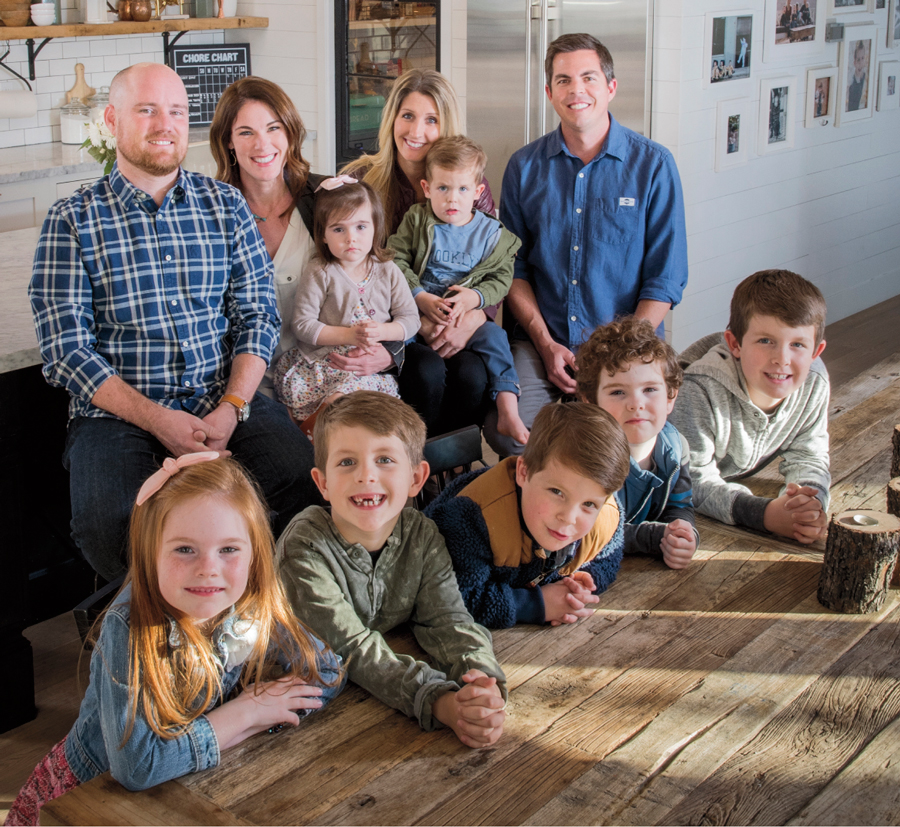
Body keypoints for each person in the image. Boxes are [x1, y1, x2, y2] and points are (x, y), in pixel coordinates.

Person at [29, 63, 319, 582]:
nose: (165, 123)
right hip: (119, 415)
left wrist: (232, 407)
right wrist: (157, 419)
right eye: (147, 109)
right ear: (113, 120)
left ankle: (253, 617)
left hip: (220, 399)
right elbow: (66, 349)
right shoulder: (71, 219)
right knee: (109, 523)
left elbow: (257, 315)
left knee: (300, 478)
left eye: (177, 111)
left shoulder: (226, 205)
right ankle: (168, 639)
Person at [6, 454, 343, 827]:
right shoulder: (131, 626)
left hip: (192, 789)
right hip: (90, 800)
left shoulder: (251, 601)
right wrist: (243, 715)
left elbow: (326, 670)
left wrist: (266, 715)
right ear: (150, 554)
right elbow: (137, 767)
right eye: (185, 549)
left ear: (254, 555)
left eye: (229, 549)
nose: (208, 568)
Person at [485, 33, 688, 457]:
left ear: (610, 87)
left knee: (612, 447)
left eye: (588, 77)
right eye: (563, 80)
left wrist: (611, 358)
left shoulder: (653, 165)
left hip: (626, 351)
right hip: (544, 343)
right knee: (516, 435)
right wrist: (545, 343)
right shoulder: (524, 167)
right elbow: (514, 270)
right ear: (549, 93)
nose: (576, 90)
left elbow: (665, 280)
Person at [277, 392, 507, 748]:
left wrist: (482, 684)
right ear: (322, 483)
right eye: (346, 462)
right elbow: (353, 648)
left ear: (416, 478)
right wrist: (439, 701)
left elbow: (448, 620)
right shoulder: (304, 546)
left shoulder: (422, 535)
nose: (366, 475)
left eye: (384, 459)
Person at [209, 76, 403, 398]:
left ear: (290, 132)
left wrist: (391, 350)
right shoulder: (211, 215)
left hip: (328, 373)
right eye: (246, 132)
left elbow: (378, 276)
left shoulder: (326, 198)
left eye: (274, 128)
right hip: (246, 386)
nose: (263, 144)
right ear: (228, 141)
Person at [342, 69, 496, 436]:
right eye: (407, 116)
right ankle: (412, 468)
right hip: (388, 324)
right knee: (426, 374)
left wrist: (475, 318)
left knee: (473, 376)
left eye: (431, 120)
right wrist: (405, 328)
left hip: (453, 320)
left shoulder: (470, 185)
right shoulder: (362, 180)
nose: (416, 132)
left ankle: (450, 468)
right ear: (392, 118)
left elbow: (493, 263)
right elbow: (348, 271)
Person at [426, 402, 630, 630]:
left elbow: (609, 557)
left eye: (589, 504)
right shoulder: (471, 518)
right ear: (524, 472)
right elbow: (453, 596)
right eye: (557, 492)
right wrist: (536, 604)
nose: (569, 518)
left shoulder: (606, 513)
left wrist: (581, 583)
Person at [669, 269, 830, 544]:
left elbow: (809, 456)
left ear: (816, 351)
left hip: (729, 473)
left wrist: (807, 504)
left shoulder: (813, 382)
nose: (782, 359)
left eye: (798, 344)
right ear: (735, 343)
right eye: (765, 341)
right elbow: (689, 480)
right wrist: (763, 514)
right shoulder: (699, 390)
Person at [388, 136, 527, 445]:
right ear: (426, 188)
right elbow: (394, 260)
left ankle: (508, 409)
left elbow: (502, 277)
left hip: (466, 317)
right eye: (443, 189)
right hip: (418, 313)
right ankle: (407, 439)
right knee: (395, 339)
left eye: (463, 189)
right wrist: (419, 297)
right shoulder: (418, 220)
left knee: (497, 339)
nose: (452, 199)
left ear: (478, 192)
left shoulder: (491, 235)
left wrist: (475, 298)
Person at [273, 180, 419, 433]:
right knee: (334, 408)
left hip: (367, 370)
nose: (351, 238)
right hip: (323, 364)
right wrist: (349, 335)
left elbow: (410, 319)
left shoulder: (388, 270)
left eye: (361, 227)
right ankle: (314, 441)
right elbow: (303, 325)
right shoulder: (320, 270)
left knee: (357, 412)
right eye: (339, 229)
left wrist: (383, 332)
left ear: (376, 228)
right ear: (323, 235)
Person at [575, 317, 699, 569]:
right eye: (618, 392)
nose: (635, 404)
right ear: (590, 401)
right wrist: (655, 538)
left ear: (670, 396)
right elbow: (585, 531)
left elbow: (679, 506)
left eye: (650, 389)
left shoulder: (676, 447)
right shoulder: (583, 455)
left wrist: (684, 534)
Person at [847, 40, 868, 112]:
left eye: (862, 58)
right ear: (854, 62)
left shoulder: (865, 77)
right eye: (858, 59)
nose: (860, 62)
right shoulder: (851, 80)